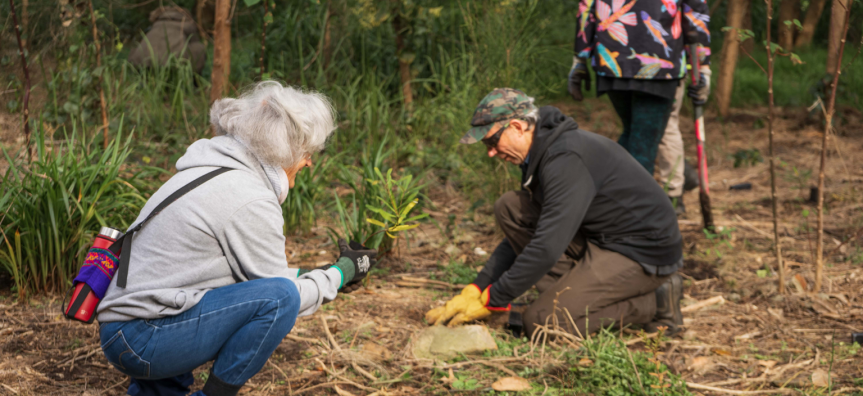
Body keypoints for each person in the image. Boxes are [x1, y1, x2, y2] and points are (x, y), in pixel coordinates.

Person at [97, 82, 376, 396]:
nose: (310, 161)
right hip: (143, 338)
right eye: (308, 152)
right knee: (280, 299)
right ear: (286, 148)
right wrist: (341, 274)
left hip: (125, 328)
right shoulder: (249, 197)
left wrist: (324, 271)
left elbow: (246, 279)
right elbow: (278, 294)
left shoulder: (209, 171)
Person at [425, 88, 684, 337]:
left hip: (641, 252)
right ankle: (582, 294)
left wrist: (494, 299)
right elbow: (535, 231)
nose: (491, 152)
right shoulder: (538, 154)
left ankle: (652, 303)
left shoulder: (564, 159)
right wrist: (477, 287)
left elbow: (547, 246)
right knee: (510, 206)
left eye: (492, 141)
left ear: (516, 126)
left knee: (540, 323)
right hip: (599, 237)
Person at [568, 0, 712, 177]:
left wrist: (580, 58)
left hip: (613, 60)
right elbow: (695, 13)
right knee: (642, 145)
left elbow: (587, 6)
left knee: (634, 135)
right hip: (659, 65)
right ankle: (638, 200)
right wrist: (702, 65)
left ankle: (600, 191)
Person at [128, 7, 206, 74]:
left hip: (145, 63)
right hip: (175, 64)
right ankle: (194, 82)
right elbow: (195, 41)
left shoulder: (156, 24)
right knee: (199, 47)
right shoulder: (187, 24)